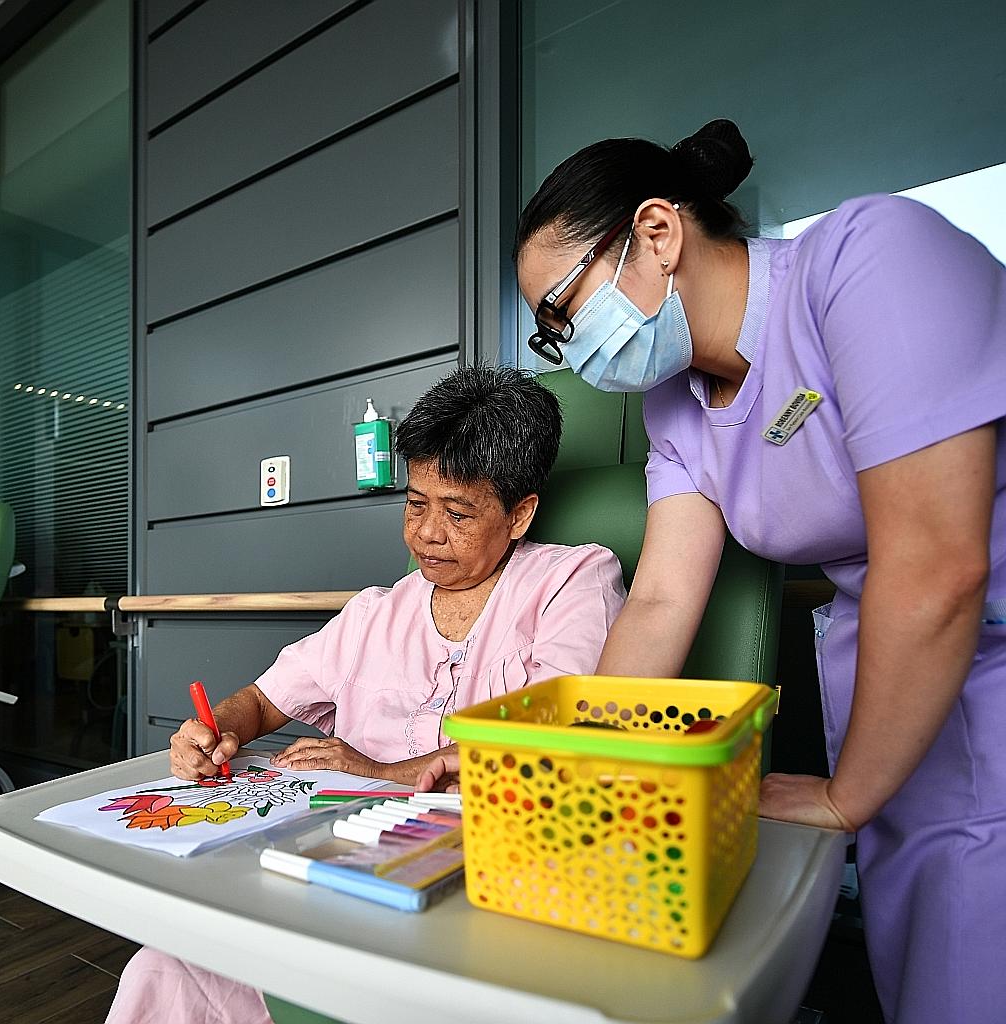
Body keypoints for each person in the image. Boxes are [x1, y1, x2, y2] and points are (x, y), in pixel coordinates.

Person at [420, 119, 1005, 1024]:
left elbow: (937, 566)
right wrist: (563, 773)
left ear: (658, 235)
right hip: (897, 691)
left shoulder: (870, 262)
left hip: (965, 659)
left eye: (563, 315)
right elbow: (657, 600)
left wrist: (850, 792)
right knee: (924, 974)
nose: (569, 352)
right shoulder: (679, 406)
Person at [107, 365, 627, 1024]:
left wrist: (380, 772)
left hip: (494, 877)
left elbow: (550, 747)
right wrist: (218, 729)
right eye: (415, 504)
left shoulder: (573, 580)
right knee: (169, 960)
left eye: (457, 512)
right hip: (341, 860)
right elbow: (264, 700)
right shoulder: (376, 611)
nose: (426, 535)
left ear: (520, 513)